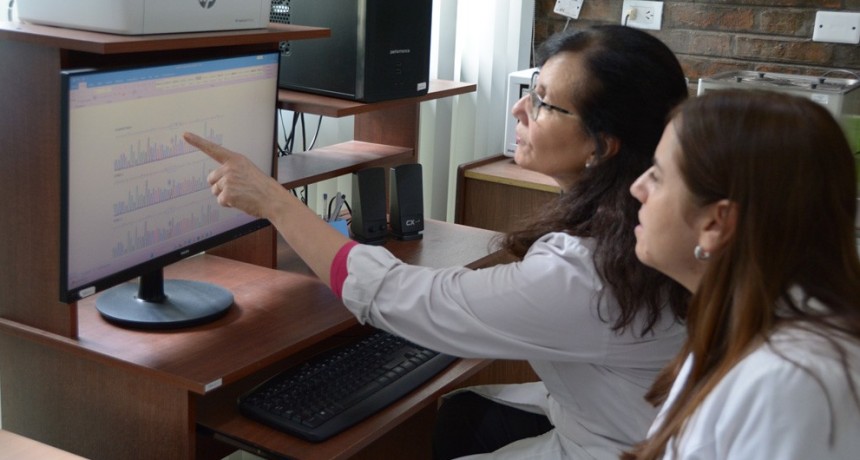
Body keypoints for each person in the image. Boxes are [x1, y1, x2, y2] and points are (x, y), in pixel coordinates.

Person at [185, 24, 689, 459]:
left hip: (616, 446)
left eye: (543, 102)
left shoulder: (588, 272)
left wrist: (275, 203)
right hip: (619, 420)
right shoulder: (647, 223)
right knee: (460, 414)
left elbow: (400, 297)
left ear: (602, 146)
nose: (519, 108)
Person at [625, 89, 860, 459]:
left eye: (657, 175)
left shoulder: (791, 384)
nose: (637, 188)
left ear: (716, 223)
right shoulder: (741, 322)